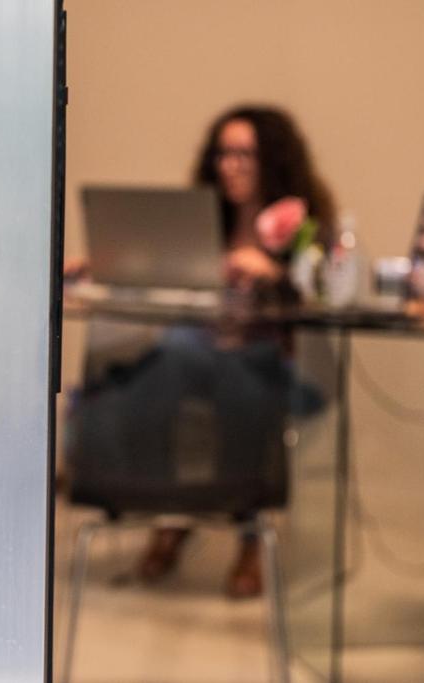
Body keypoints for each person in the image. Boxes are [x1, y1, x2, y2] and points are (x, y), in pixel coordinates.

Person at [130, 105, 336, 598]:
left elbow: (327, 300)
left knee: (241, 381)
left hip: (282, 369)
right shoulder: (205, 222)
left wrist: (274, 274)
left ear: (272, 159)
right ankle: (172, 510)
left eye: (245, 153)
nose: (231, 165)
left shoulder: (305, 225)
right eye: (223, 154)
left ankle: (244, 531)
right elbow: (163, 279)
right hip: (205, 357)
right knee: (170, 354)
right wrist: (104, 264)